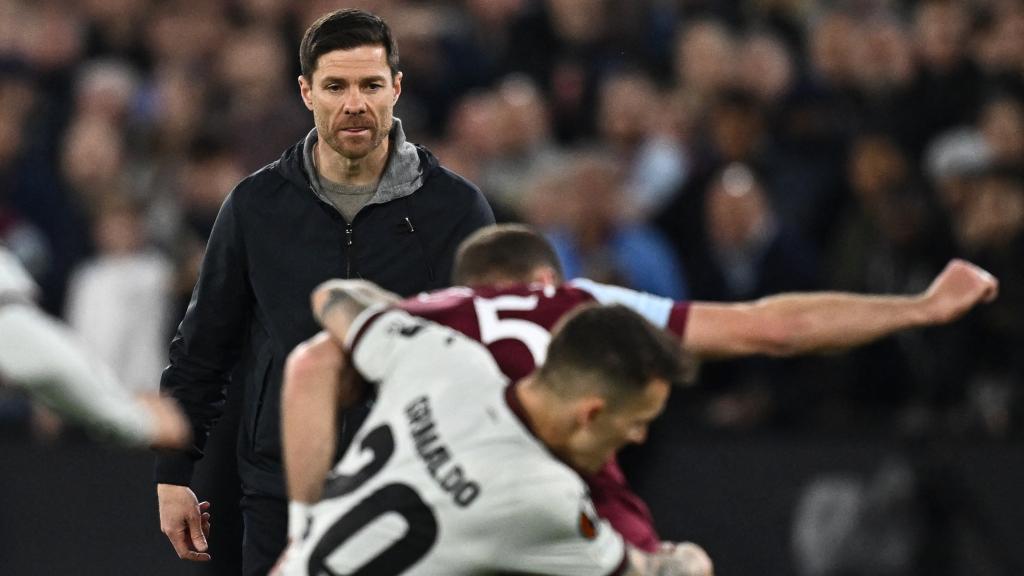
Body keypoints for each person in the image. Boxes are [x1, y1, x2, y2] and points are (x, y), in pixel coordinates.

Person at [283, 223, 998, 553]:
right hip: (568, 501)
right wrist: (919, 308)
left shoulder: (427, 321)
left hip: (428, 511)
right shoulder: (582, 302)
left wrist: (305, 519)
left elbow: (311, 364)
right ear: (546, 280)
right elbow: (771, 330)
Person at [154, 8, 494, 574]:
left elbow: (486, 356)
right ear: (306, 92)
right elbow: (202, 350)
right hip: (281, 493)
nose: (354, 103)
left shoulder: (455, 209)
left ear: (397, 89)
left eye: (370, 85)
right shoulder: (256, 206)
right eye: (336, 86)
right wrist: (172, 475)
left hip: (416, 491)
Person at [276, 290, 713, 576]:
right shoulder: (546, 496)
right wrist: (692, 562)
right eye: (637, 420)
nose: (638, 437)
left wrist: (302, 522)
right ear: (590, 413)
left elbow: (333, 297)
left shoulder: (443, 357)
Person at [0, 245, 188, 449]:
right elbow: (58, 366)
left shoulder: (151, 268)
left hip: (129, 389)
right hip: (120, 403)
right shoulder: (86, 276)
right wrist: (141, 423)